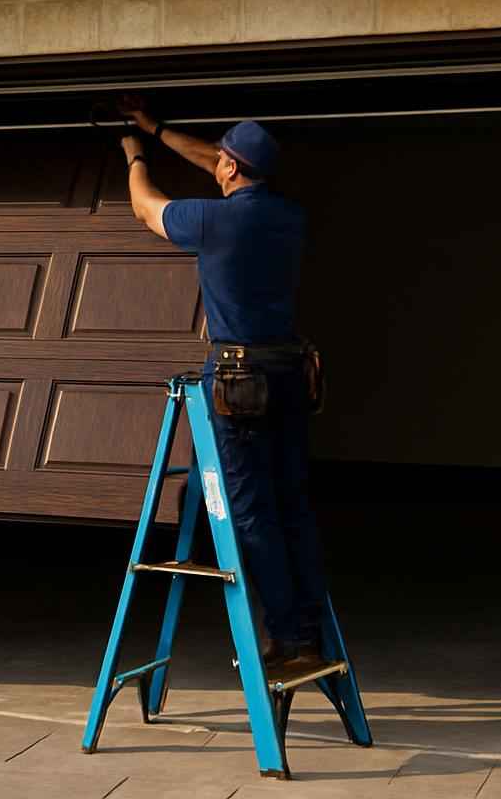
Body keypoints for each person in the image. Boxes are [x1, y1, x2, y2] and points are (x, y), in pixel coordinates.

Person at [115, 95, 328, 674]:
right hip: (288, 373)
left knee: (249, 508)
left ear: (231, 170)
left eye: (222, 162)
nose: (215, 165)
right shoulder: (290, 216)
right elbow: (217, 160)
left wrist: (135, 155)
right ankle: (310, 629)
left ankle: (287, 637)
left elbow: (145, 208)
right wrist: (157, 127)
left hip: (240, 381)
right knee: (291, 503)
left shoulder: (214, 220)